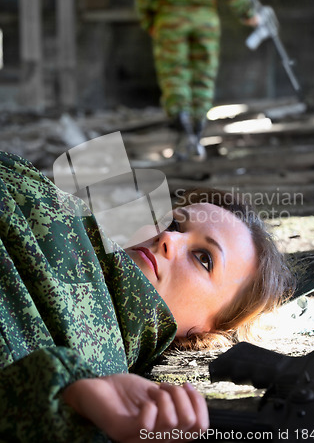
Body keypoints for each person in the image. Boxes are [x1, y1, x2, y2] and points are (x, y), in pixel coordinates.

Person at [0, 152, 294, 442]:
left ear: (211, 330)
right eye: (174, 224)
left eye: (204, 258)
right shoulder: (79, 226)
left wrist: (70, 401)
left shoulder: (93, 381)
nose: (169, 238)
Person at [135, 0, 259, 160]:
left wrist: (147, 18)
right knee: (203, 78)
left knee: (174, 76)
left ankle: (183, 132)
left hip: (170, 16)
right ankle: (197, 133)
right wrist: (247, 12)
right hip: (205, 19)